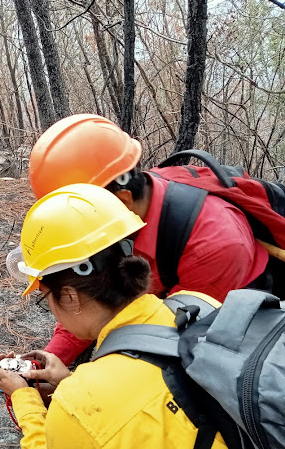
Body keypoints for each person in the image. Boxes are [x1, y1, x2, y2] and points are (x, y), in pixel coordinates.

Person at [0, 184, 245, 449]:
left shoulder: (87, 403)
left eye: (44, 295)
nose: (48, 306)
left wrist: (24, 399)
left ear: (71, 297)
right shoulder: (195, 304)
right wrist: (70, 381)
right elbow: (167, 387)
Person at [17, 113, 271, 367]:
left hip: (229, 336)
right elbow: (90, 297)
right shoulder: (118, 217)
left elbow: (171, 346)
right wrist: (47, 361)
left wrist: (77, 389)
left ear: (123, 200)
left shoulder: (213, 245)